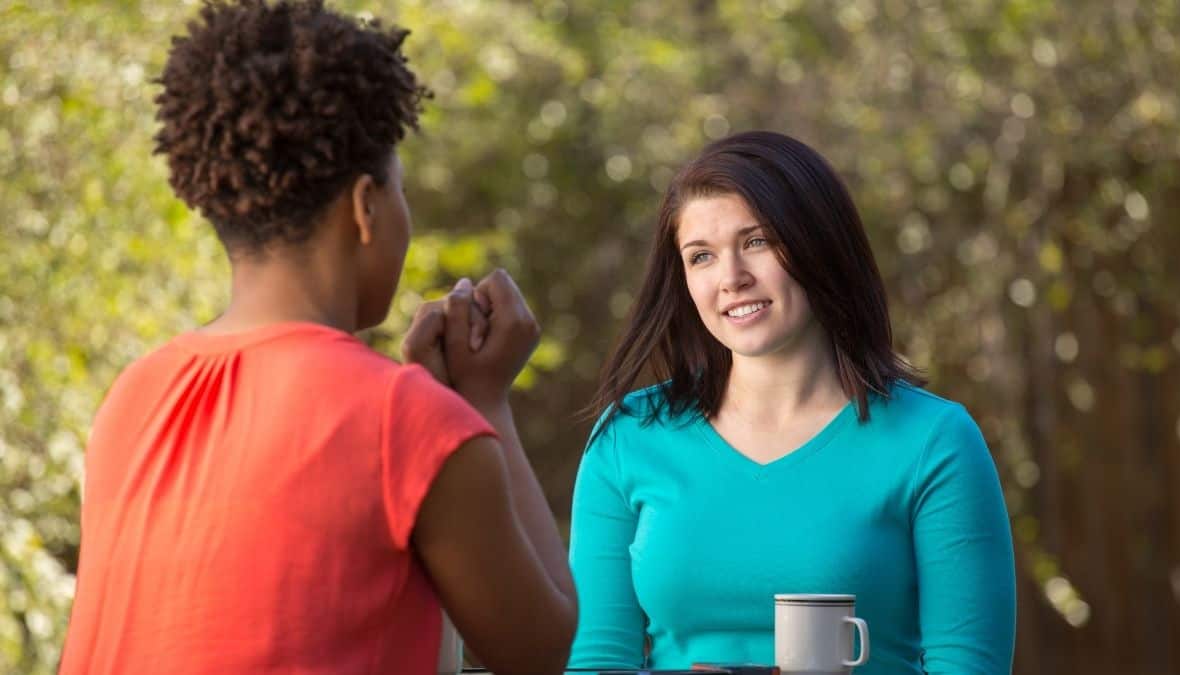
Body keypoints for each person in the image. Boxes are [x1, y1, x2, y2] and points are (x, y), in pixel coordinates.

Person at [58, 2, 576, 674]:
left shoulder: (135, 394)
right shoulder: (410, 421)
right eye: (399, 191)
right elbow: (542, 650)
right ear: (366, 208)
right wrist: (484, 401)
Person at [567, 130, 1016, 673]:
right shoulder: (628, 436)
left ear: (819, 244)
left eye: (757, 242)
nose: (731, 278)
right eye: (701, 256)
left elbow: (967, 667)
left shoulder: (934, 441)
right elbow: (596, 661)